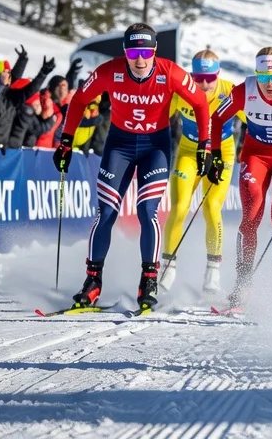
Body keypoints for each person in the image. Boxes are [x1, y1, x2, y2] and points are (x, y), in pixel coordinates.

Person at [53, 24, 216, 312]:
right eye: (133, 53)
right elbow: (79, 100)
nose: (140, 60)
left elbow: (201, 103)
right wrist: (66, 141)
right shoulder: (110, 71)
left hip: (155, 148)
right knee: (105, 212)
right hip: (120, 146)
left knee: (146, 211)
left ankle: (148, 281)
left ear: (155, 52)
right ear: (125, 52)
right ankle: (92, 281)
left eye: (146, 53)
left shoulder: (170, 72)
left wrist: (205, 145)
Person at [209, 47, 272, 303]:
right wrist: (215, 155)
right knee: (252, 214)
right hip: (256, 156)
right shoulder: (244, 90)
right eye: (263, 77)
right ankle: (243, 282)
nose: (270, 84)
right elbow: (217, 118)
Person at [158, 51, 238, 296]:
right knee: (180, 206)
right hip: (189, 152)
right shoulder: (182, 90)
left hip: (221, 153)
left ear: (218, 75)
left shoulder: (230, 91)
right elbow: (158, 115)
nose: (204, 84)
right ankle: (168, 267)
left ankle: (213, 270)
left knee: (211, 207)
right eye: (198, 78)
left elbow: (257, 117)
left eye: (210, 78)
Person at [0, 47, 54, 148]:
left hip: (1, 149)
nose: (8, 77)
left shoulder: (10, 98)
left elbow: (28, 90)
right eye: (5, 73)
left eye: (8, 74)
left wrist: (42, 74)